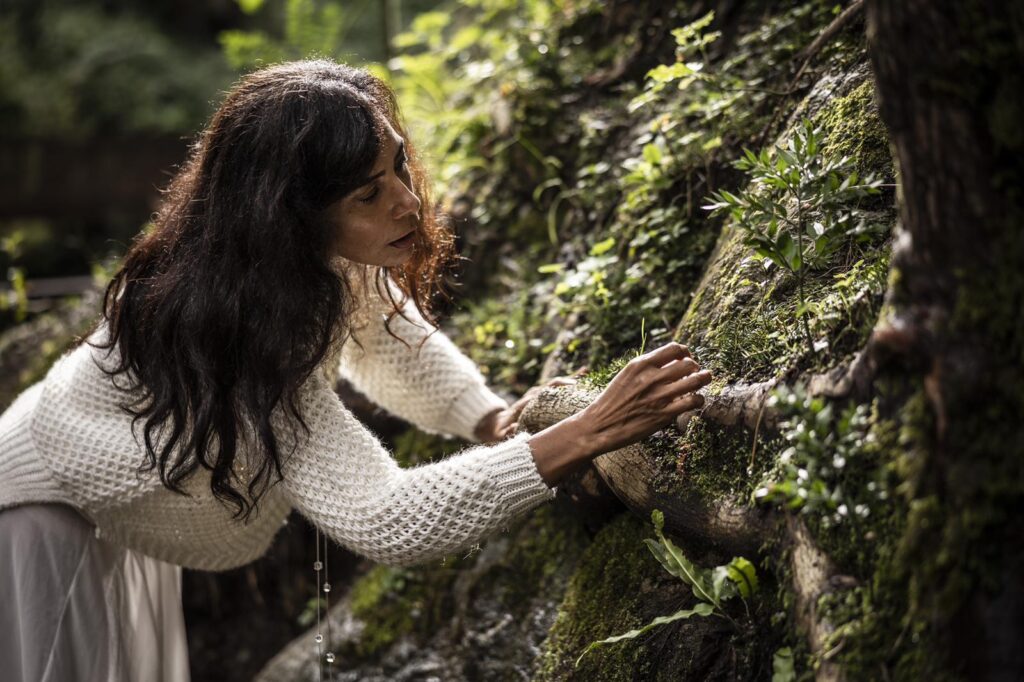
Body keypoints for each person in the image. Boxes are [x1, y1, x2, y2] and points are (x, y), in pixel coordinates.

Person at [0, 60, 711, 681]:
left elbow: (391, 343)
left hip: (108, 484)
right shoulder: (238, 337)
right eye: (366, 195)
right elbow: (387, 517)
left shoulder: (303, 265)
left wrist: (489, 416)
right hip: (37, 510)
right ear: (287, 217)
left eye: (397, 165)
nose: (406, 199)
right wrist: (588, 432)